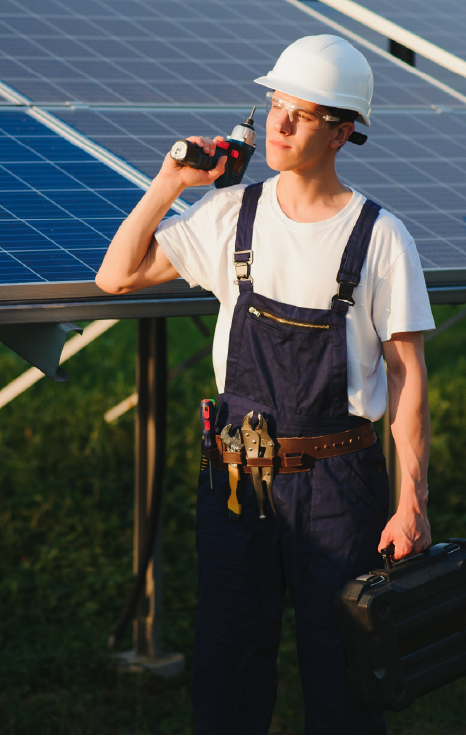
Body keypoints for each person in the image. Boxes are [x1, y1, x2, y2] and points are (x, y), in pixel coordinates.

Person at [96, 34, 434, 736]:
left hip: (341, 487)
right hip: (235, 479)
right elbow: (116, 276)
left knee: (343, 675)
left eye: (302, 114)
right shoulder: (228, 216)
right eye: (276, 105)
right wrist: (169, 183)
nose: (278, 125)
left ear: (343, 132)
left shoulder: (381, 238)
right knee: (228, 663)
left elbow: (406, 377)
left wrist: (410, 503)